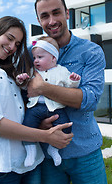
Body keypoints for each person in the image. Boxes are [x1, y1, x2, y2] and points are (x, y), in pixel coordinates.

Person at [0, 16, 73, 184]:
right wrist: (45, 136)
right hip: (0, 167)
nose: (12, 47)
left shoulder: (8, 69)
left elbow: (21, 111)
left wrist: (41, 125)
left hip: (31, 164)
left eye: (18, 44)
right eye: (10, 38)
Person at [27, 0, 108, 184]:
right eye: (44, 16)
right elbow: (23, 96)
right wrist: (40, 124)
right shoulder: (32, 53)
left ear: (67, 13)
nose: (51, 20)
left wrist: (43, 88)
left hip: (85, 152)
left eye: (56, 13)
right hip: (47, 155)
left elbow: (89, 99)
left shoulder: (91, 51)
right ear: (38, 19)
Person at [16, 36, 81, 167]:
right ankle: (31, 151)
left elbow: (70, 86)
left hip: (56, 108)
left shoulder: (61, 71)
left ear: (53, 58)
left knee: (66, 127)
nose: (36, 61)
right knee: (27, 126)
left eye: (40, 57)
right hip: (35, 107)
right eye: (34, 58)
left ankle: (54, 149)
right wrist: (22, 79)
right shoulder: (32, 72)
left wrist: (74, 80)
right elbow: (24, 87)